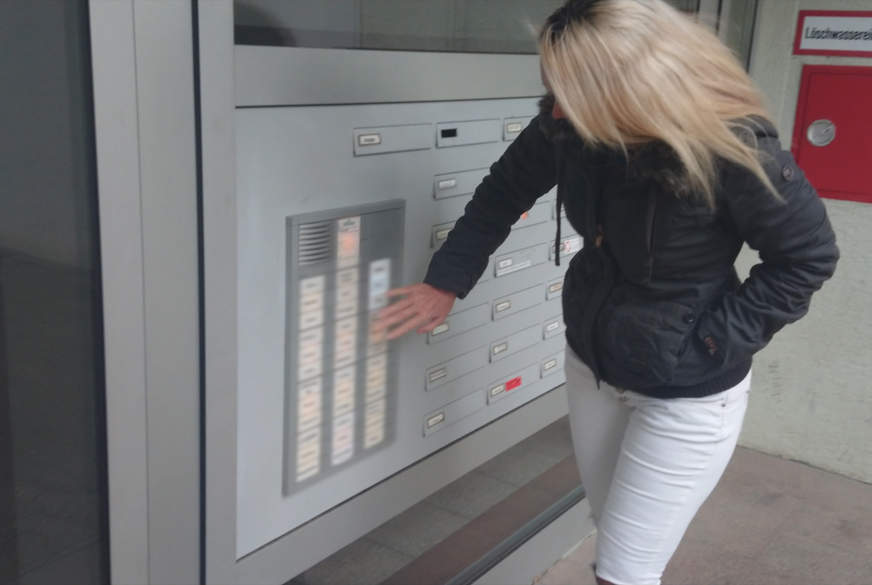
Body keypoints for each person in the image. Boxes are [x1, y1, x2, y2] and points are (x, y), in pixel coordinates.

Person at [375, 1, 839, 583]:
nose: (556, 109)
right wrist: (445, 282)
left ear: (630, 90)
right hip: (592, 365)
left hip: (686, 393)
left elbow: (806, 259)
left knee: (624, 572)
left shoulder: (731, 151)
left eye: (572, 94)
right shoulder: (568, 126)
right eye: (554, 90)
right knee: (608, 526)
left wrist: (710, 344)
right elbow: (502, 193)